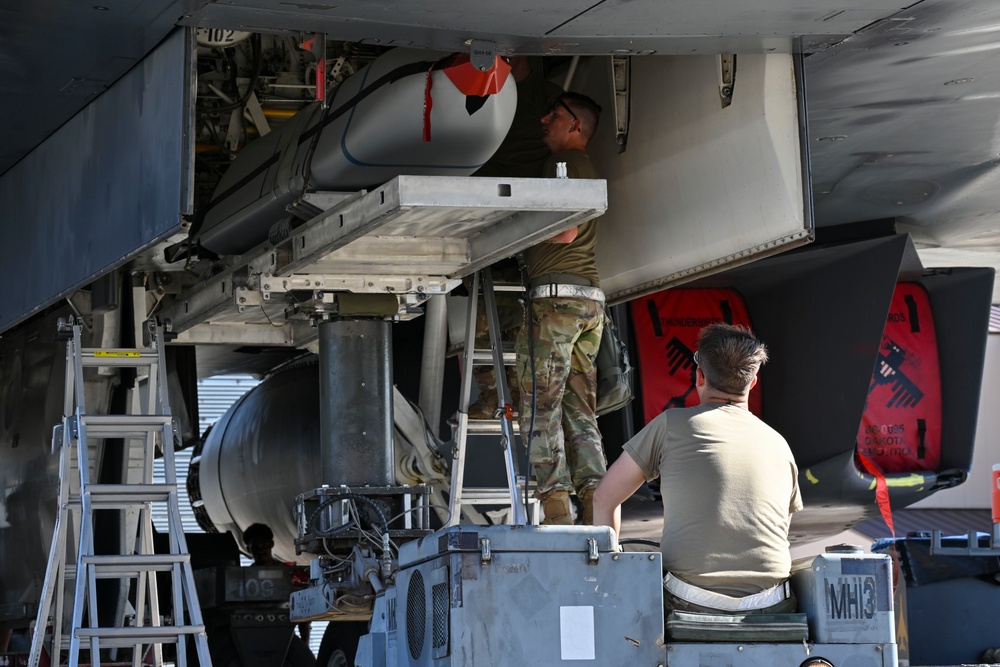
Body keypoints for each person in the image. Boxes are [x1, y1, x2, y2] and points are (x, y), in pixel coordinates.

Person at [593, 323, 803, 615]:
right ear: (753, 383)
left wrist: (607, 570)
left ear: (699, 375)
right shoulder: (779, 444)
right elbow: (780, 528)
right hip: (771, 604)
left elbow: (604, 498)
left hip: (689, 600)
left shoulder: (671, 425)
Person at [516, 91, 606, 525]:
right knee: (578, 409)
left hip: (557, 300)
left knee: (540, 401)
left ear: (575, 125)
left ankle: (555, 503)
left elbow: (565, 229)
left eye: (553, 115)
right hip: (587, 300)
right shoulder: (585, 168)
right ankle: (596, 500)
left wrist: (512, 234)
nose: (544, 121)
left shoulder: (562, 165)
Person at [467, 57, 563, 419]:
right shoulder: (486, 93)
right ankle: (494, 393)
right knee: (485, 313)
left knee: (516, 317)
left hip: (520, 212)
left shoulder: (542, 96)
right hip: (486, 211)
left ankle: (515, 398)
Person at [243, 523, 311, 643]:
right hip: (254, 638)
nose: (261, 549)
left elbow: (303, 611)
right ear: (249, 549)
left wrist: (304, 644)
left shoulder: (289, 575)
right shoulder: (244, 579)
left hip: (286, 639)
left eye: (264, 544)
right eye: (256, 546)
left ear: (271, 544)